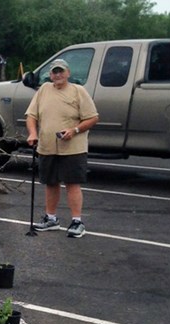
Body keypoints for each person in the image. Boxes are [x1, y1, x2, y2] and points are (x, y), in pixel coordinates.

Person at [26, 59, 99, 238]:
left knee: (72, 183)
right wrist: (32, 133)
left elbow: (93, 118)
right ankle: (51, 219)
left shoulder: (78, 91)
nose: (57, 75)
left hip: (73, 147)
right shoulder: (43, 90)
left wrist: (74, 130)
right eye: (54, 72)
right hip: (47, 146)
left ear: (68, 73)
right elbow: (31, 115)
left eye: (61, 71)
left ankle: (77, 221)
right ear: (50, 75)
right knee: (51, 182)